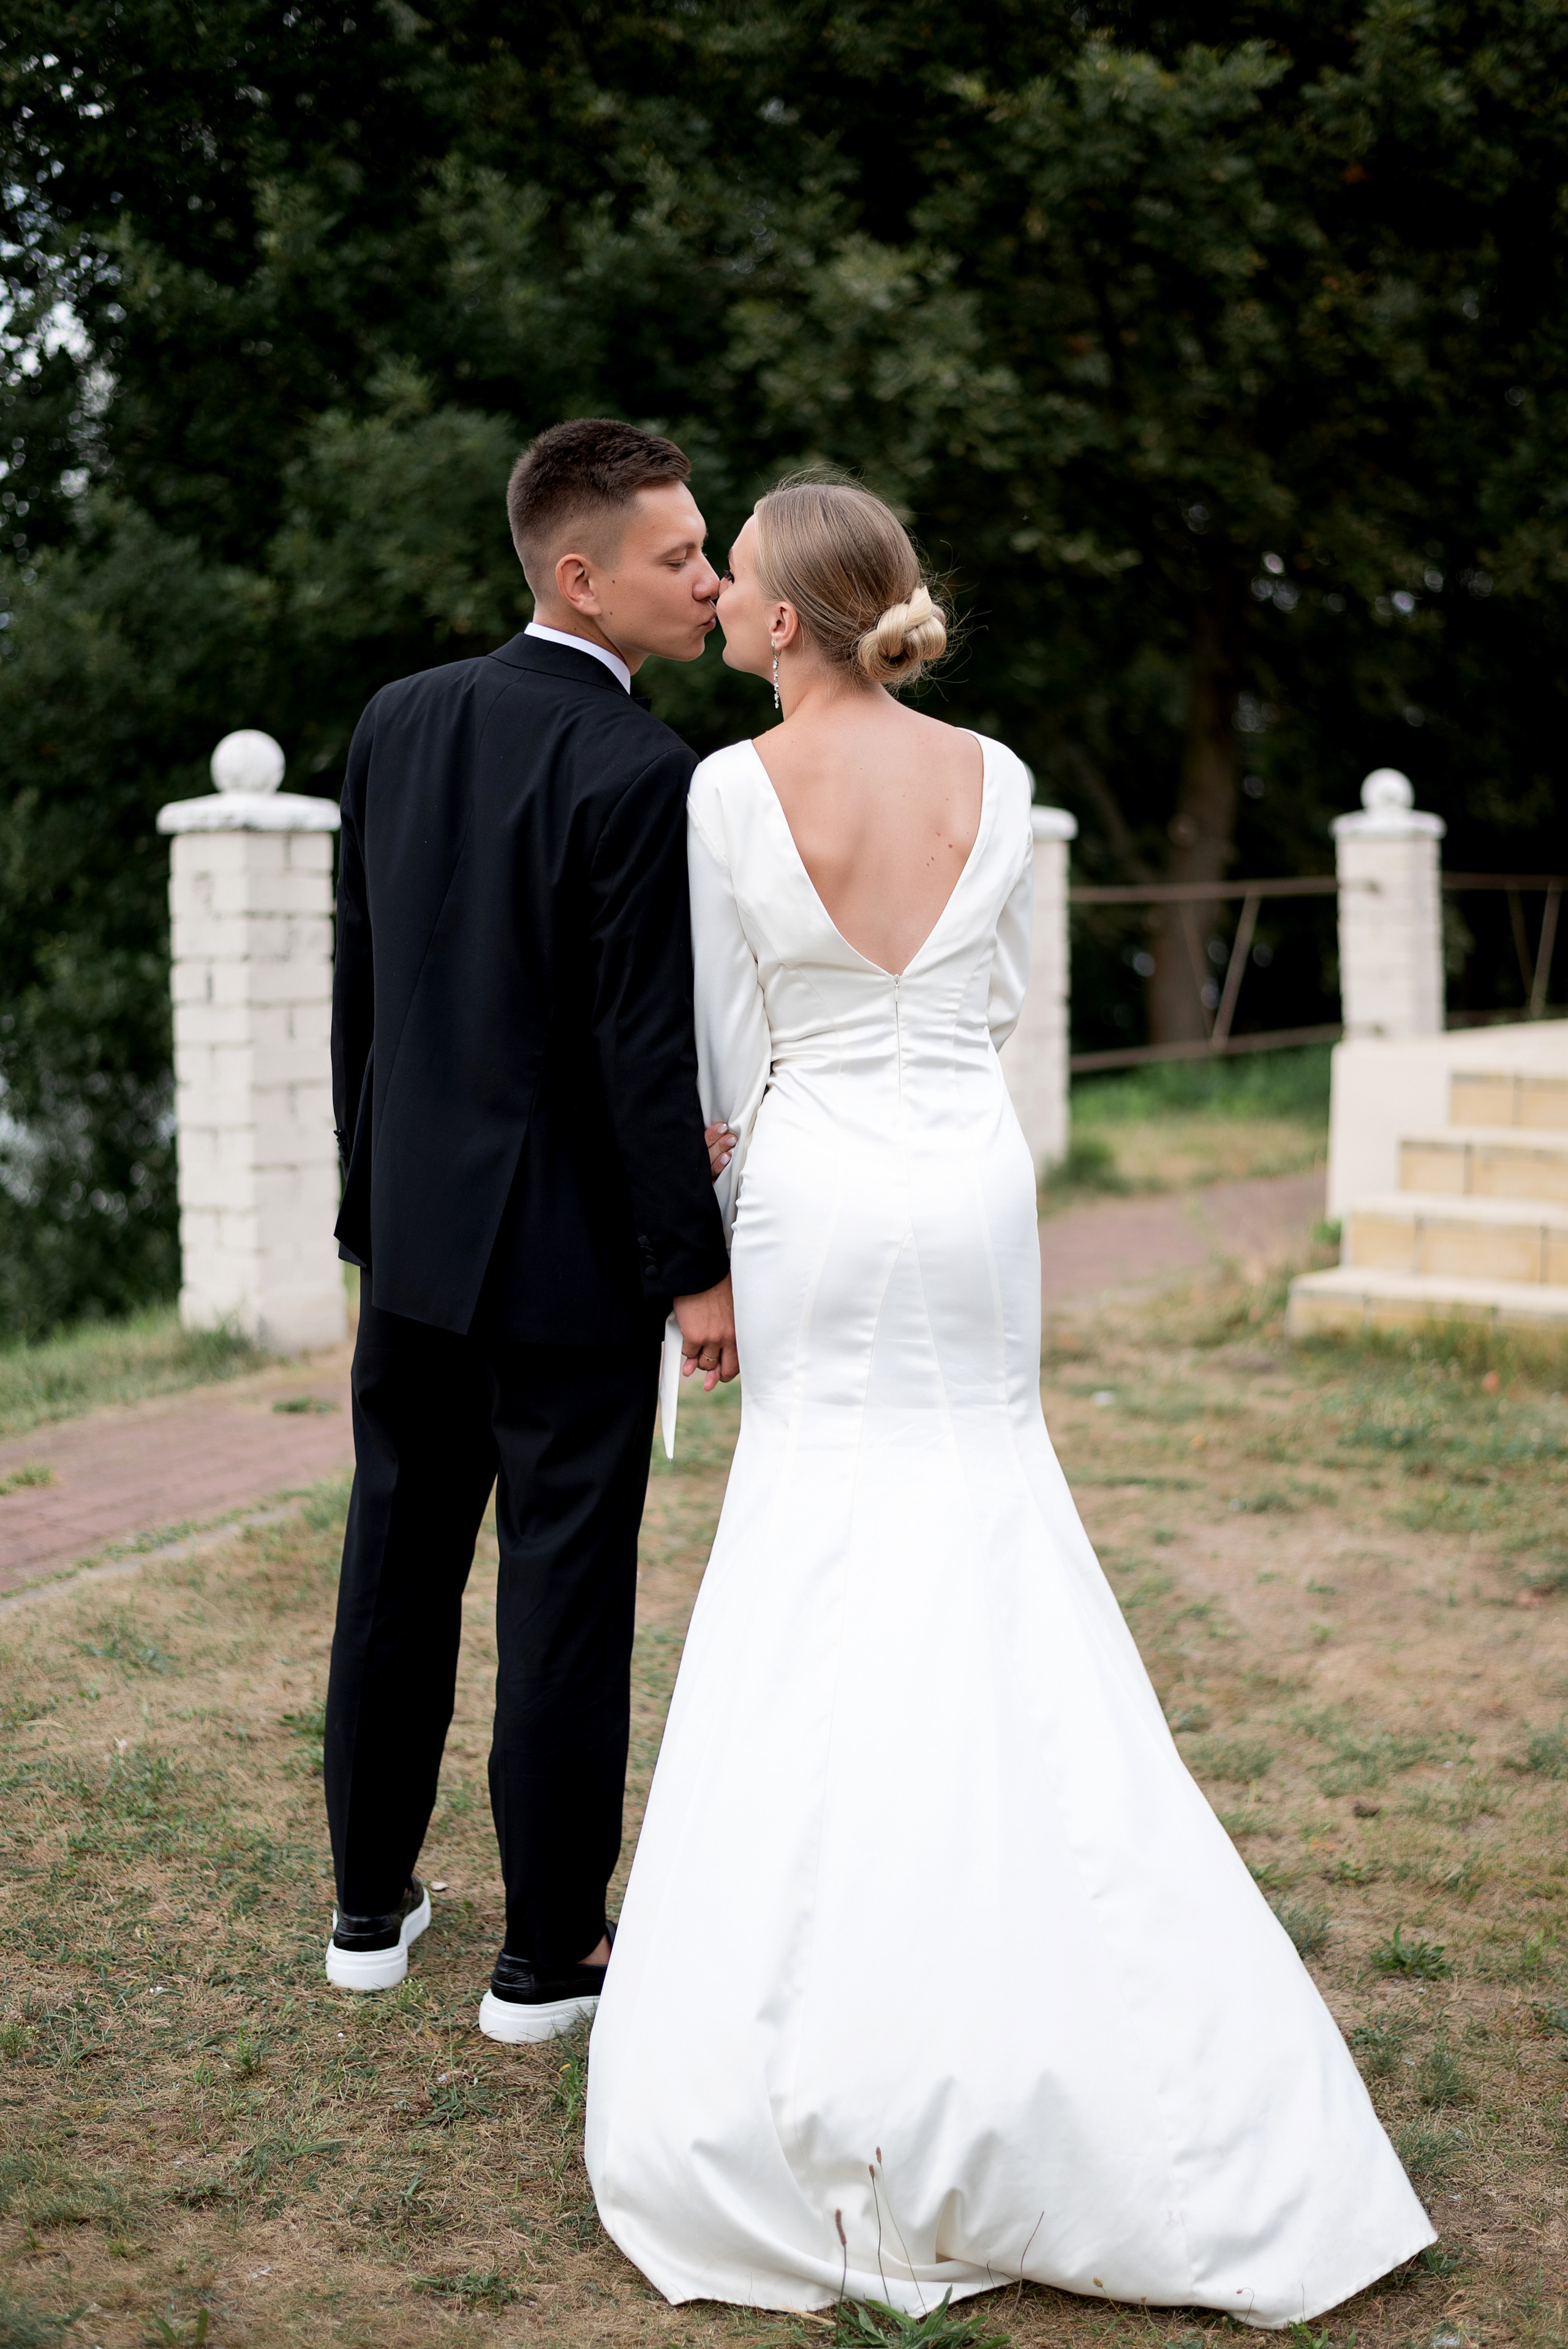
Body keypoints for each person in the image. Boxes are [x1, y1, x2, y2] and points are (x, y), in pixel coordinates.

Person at [583, 478, 1435, 2325]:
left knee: (819, 1531)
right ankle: (1100, 2019)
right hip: (970, 1184)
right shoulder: (999, 770)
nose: (718, 596)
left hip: (816, 1181)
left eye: (739, 580)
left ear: (794, 622)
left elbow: (728, 1039)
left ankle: (836, 2032)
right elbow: (999, 1004)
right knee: (988, 1519)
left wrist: (717, 1223)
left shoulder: (729, 790)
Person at [322, 418, 739, 2044]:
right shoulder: (649, 773)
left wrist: (371, 1202)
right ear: (581, 573)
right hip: (566, 1262)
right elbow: (644, 1054)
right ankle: (550, 1954)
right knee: (564, 1592)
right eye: (680, 556)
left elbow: (364, 1002)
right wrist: (692, 1262)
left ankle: (370, 1912)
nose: (709, 579)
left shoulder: (397, 719)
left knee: (396, 1562)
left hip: (413, 1243)